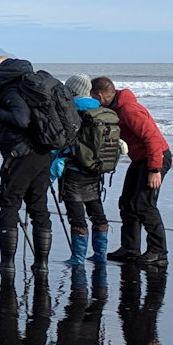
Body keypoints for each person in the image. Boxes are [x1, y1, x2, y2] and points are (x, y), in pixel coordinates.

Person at [92, 76, 172, 267]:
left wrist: (154, 170)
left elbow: (152, 138)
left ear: (100, 96)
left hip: (155, 158)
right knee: (127, 203)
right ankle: (130, 248)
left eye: (92, 97)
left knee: (144, 205)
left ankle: (158, 252)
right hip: (140, 159)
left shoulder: (129, 110)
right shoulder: (114, 108)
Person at [0, 55, 53, 269]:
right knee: (38, 206)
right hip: (42, 154)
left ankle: (8, 263)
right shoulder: (25, 87)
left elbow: (21, 120)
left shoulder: (11, 90)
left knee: (10, 204)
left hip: (22, 156)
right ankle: (41, 264)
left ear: (1, 71)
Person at [58, 74, 112, 267]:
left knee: (77, 215)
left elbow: (62, 140)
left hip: (73, 169)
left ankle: (78, 258)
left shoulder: (70, 110)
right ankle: (100, 255)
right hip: (95, 170)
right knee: (96, 210)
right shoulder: (100, 110)